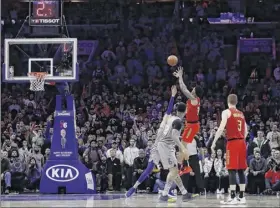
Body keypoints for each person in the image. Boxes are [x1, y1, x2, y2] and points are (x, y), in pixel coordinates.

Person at [125, 85, 177, 197]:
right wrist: (172, 96)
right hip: (158, 147)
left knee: (172, 168)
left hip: (166, 148)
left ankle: (168, 189)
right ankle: (134, 187)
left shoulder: (175, 127)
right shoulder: (165, 121)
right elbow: (169, 109)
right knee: (148, 170)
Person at [211, 94, 248, 205]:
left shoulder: (226, 112)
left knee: (231, 169)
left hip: (232, 142)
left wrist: (214, 142)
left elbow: (221, 127)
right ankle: (241, 196)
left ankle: (232, 197)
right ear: (236, 102)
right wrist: (240, 137)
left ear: (228, 101)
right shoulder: (241, 114)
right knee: (241, 169)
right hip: (242, 142)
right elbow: (246, 131)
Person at [158, 102, 193, 202]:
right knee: (173, 171)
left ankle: (184, 192)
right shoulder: (178, 122)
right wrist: (183, 148)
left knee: (175, 171)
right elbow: (174, 136)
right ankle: (164, 194)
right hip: (166, 146)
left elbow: (171, 134)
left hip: (165, 145)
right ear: (185, 111)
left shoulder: (171, 118)